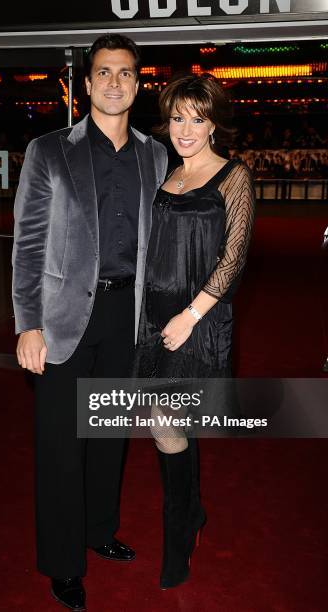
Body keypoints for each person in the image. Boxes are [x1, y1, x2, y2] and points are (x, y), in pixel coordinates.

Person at [12, 34, 168, 611]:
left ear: (136, 84)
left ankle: (100, 530)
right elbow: (27, 246)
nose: (113, 82)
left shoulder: (154, 154)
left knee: (106, 437)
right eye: (103, 71)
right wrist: (28, 322)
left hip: (126, 315)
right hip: (61, 318)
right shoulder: (49, 150)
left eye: (125, 73)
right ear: (86, 83)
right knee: (61, 445)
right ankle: (62, 562)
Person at [134, 74, 255, 589]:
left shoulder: (233, 177)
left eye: (197, 119)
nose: (186, 129)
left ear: (213, 124)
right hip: (149, 321)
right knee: (163, 423)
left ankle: (180, 531)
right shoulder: (161, 172)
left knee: (164, 423)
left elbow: (234, 259)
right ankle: (194, 509)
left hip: (195, 321)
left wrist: (190, 316)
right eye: (178, 117)